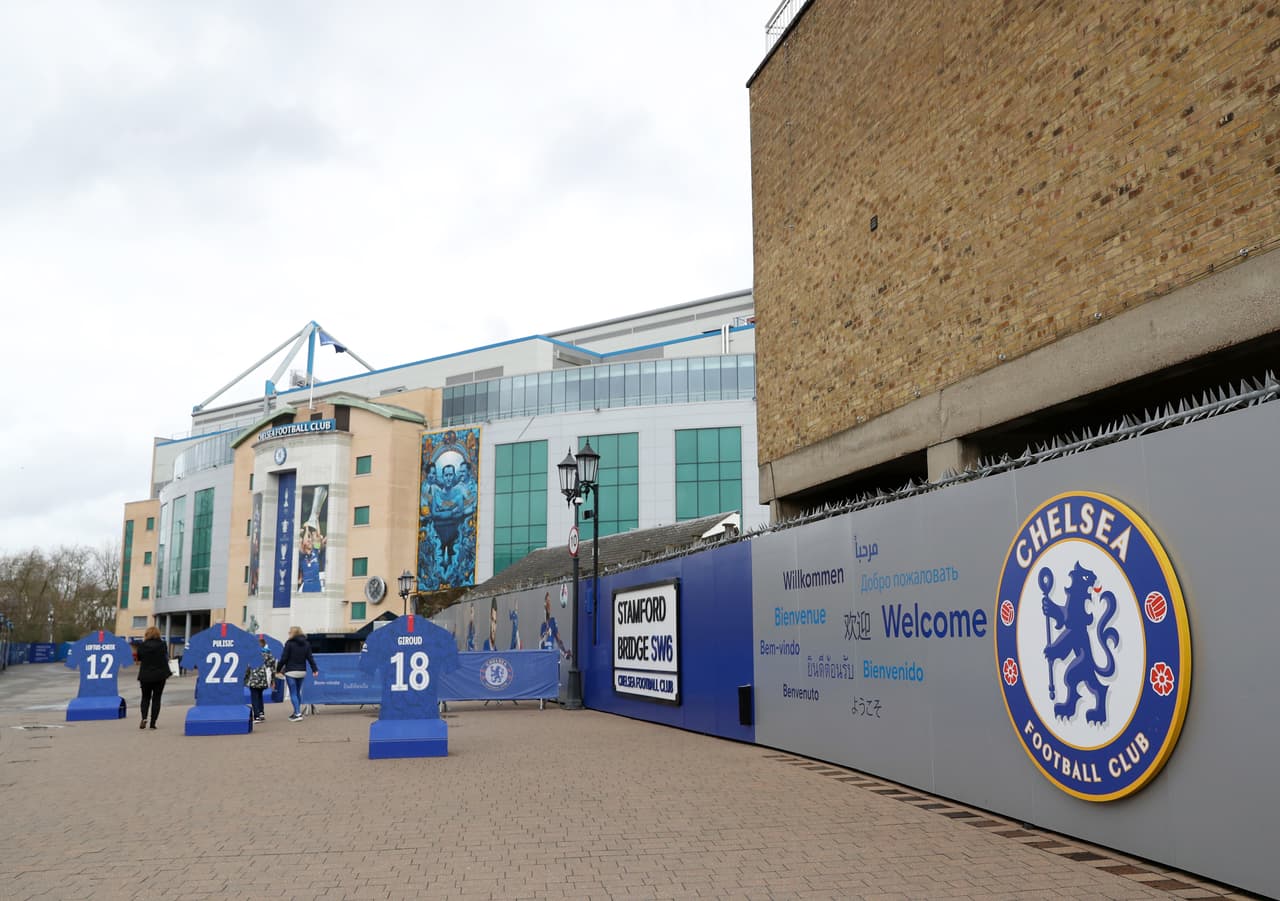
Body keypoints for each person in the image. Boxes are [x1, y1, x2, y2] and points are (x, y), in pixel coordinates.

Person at [278, 626, 319, 722]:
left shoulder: (289, 644)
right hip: (302, 671)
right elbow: (310, 658)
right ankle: (296, 711)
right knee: (297, 692)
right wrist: (314, 669)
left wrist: (278, 669)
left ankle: (297, 713)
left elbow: (284, 658)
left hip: (291, 671)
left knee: (293, 693)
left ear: (292, 633)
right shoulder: (306, 643)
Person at [136, 626, 171, 730]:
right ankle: (153, 723)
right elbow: (165, 656)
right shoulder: (163, 645)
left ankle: (144, 718)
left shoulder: (142, 645)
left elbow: (139, 658)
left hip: (145, 676)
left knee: (145, 697)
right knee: (157, 698)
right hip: (160, 676)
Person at [244, 636, 277, 723]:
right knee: (260, 695)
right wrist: (273, 680)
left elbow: (248, 667)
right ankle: (261, 712)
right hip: (263, 679)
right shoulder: (268, 654)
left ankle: (257, 716)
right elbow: (273, 667)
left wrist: (245, 678)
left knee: (254, 697)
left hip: (254, 679)